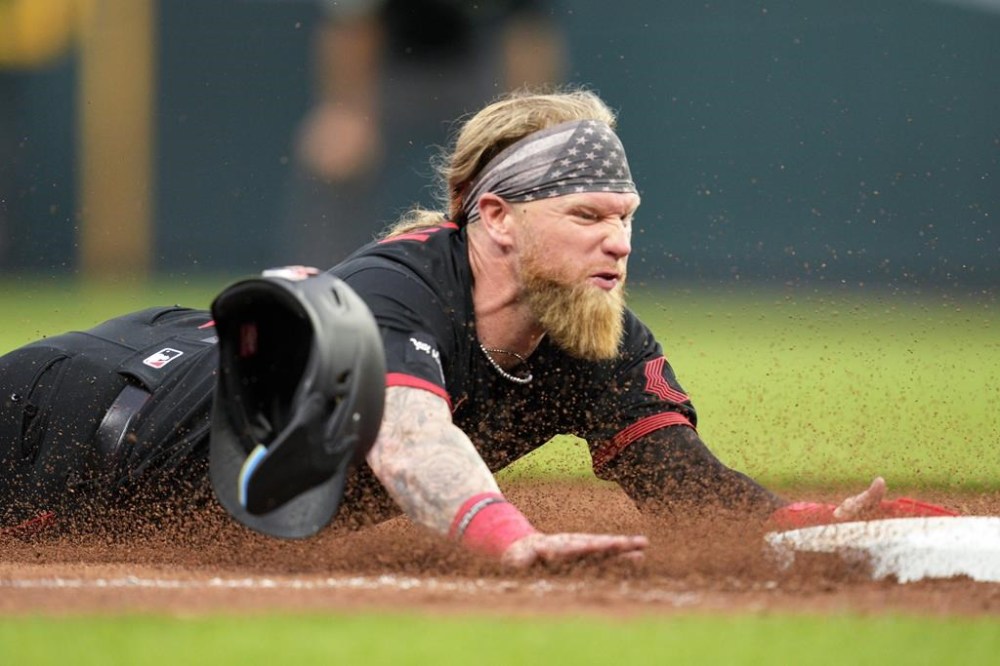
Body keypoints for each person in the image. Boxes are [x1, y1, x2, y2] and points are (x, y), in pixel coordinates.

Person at [0, 88, 956, 566]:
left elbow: (685, 488)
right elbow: (411, 441)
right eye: (587, 215)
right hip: (66, 421)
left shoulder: (594, 333)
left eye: (626, 216)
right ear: (494, 216)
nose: (619, 241)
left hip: (171, 430)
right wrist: (507, 538)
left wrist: (806, 528)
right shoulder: (397, 288)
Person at [277, 0, 567, 267]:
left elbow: (528, 34)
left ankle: (523, 275)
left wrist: (524, 123)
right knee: (334, 156)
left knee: (523, 164)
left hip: (476, 63)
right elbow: (350, 26)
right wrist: (346, 111)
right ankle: (319, 283)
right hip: (390, 67)